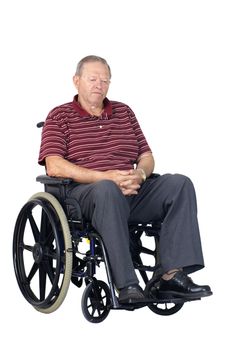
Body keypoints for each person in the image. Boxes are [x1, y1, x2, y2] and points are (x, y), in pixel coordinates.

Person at [38, 55, 212, 304]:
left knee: (179, 184)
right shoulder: (59, 116)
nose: (99, 84)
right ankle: (127, 285)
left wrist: (140, 174)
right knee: (107, 189)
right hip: (86, 195)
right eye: (92, 79)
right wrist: (104, 177)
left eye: (105, 80)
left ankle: (170, 277)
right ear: (76, 81)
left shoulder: (124, 111)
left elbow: (146, 156)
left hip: (131, 190)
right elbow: (53, 165)